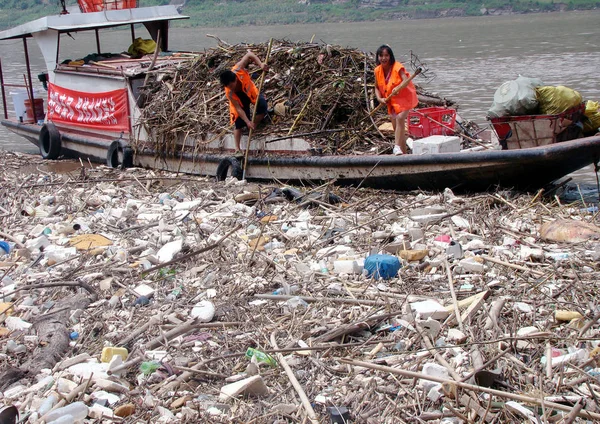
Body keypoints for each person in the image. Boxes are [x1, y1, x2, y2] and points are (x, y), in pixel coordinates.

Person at [219, 51, 269, 154]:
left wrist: (261, 64)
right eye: (227, 87)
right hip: (239, 100)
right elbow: (238, 108)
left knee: (263, 106)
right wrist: (247, 121)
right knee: (238, 123)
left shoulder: (238, 69)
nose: (229, 88)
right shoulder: (229, 93)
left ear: (234, 80)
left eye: (230, 86)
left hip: (250, 92)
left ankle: (254, 125)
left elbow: (250, 54)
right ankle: (237, 149)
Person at [374, 45, 418, 155]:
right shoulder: (377, 70)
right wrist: (380, 98)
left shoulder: (397, 67)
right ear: (378, 57)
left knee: (400, 118)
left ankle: (396, 146)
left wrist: (398, 87)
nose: (384, 58)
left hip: (405, 98)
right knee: (398, 130)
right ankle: (404, 155)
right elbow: (376, 87)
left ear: (390, 56)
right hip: (392, 102)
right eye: (381, 56)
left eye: (386, 55)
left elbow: (405, 80)